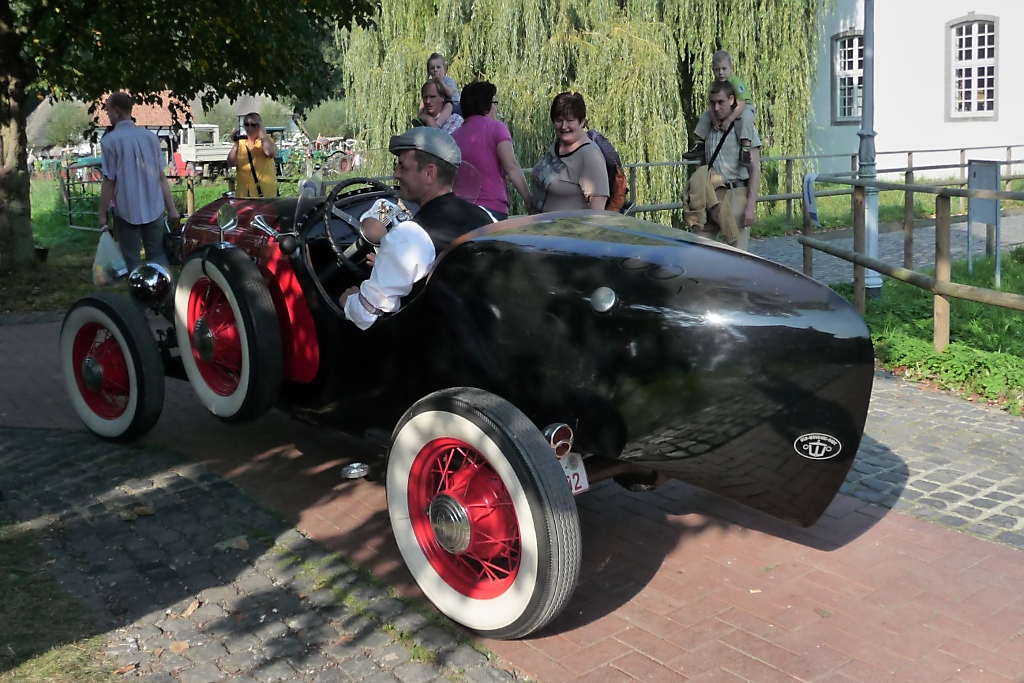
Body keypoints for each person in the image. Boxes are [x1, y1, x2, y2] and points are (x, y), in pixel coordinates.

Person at [340, 127, 494, 329]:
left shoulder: (410, 236)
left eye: (403, 167)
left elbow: (365, 316)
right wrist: (388, 264)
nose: (395, 174)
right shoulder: (486, 217)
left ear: (429, 174)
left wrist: (349, 300)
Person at [97, 91, 179, 273]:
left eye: (108, 110)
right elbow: (161, 176)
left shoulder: (109, 141)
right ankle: (163, 288)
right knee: (157, 254)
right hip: (154, 205)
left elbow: (109, 181)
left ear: (117, 111)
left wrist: (102, 213)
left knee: (131, 258)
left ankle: (137, 289)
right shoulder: (151, 137)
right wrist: (171, 207)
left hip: (126, 208)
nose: (107, 114)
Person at [683, 80, 761, 251]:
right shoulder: (708, 126)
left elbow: (755, 168)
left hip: (735, 193)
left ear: (731, 100)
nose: (716, 107)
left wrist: (750, 207)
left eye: (720, 102)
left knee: (736, 252)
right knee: (698, 247)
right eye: (712, 103)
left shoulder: (743, 126)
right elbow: (704, 163)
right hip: (711, 193)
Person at [450, 81, 532, 220]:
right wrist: (530, 201)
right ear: (486, 106)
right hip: (491, 209)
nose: (495, 108)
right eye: (494, 103)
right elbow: (511, 166)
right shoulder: (496, 128)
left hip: (460, 210)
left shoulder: (453, 137)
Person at [530, 92, 609, 212]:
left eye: (570, 120)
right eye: (559, 120)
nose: (563, 126)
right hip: (543, 222)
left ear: (582, 121)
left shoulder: (590, 155)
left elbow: (597, 212)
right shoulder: (558, 143)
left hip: (571, 224)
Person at [684, 50, 754, 160]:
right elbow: (711, 104)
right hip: (727, 106)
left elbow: (741, 105)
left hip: (743, 106)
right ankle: (699, 144)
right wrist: (714, 118)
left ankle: (745, 149)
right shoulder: (715, 84)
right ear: (713, 70)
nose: (720, 73)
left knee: (746, 118)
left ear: (731, 68)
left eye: (724, 69)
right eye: (717, 69)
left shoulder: (735, 82)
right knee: (705, 116)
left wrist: (728, 120)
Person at [227, 112, 279, 198]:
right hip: (244, 194)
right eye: (246, 124)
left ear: (260, 126)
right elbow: (230, 163)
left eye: (253, 125)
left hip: (265, 194)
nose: (249, 128)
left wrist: (262, 134)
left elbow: (270, 153)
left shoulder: (266, 141)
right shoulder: (241, 142)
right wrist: (236, 143)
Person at [427, 52, 461, 117]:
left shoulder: (448, 80)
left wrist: (441, 82)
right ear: (429, 72)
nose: (435, 70)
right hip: (441, 105)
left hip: (454, 104)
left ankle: (439, 122)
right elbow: (426, 96)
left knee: (448, 106)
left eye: (438, 67)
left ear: (444, 70)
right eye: (432, 68)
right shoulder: (430, 84)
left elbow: (450, 94)